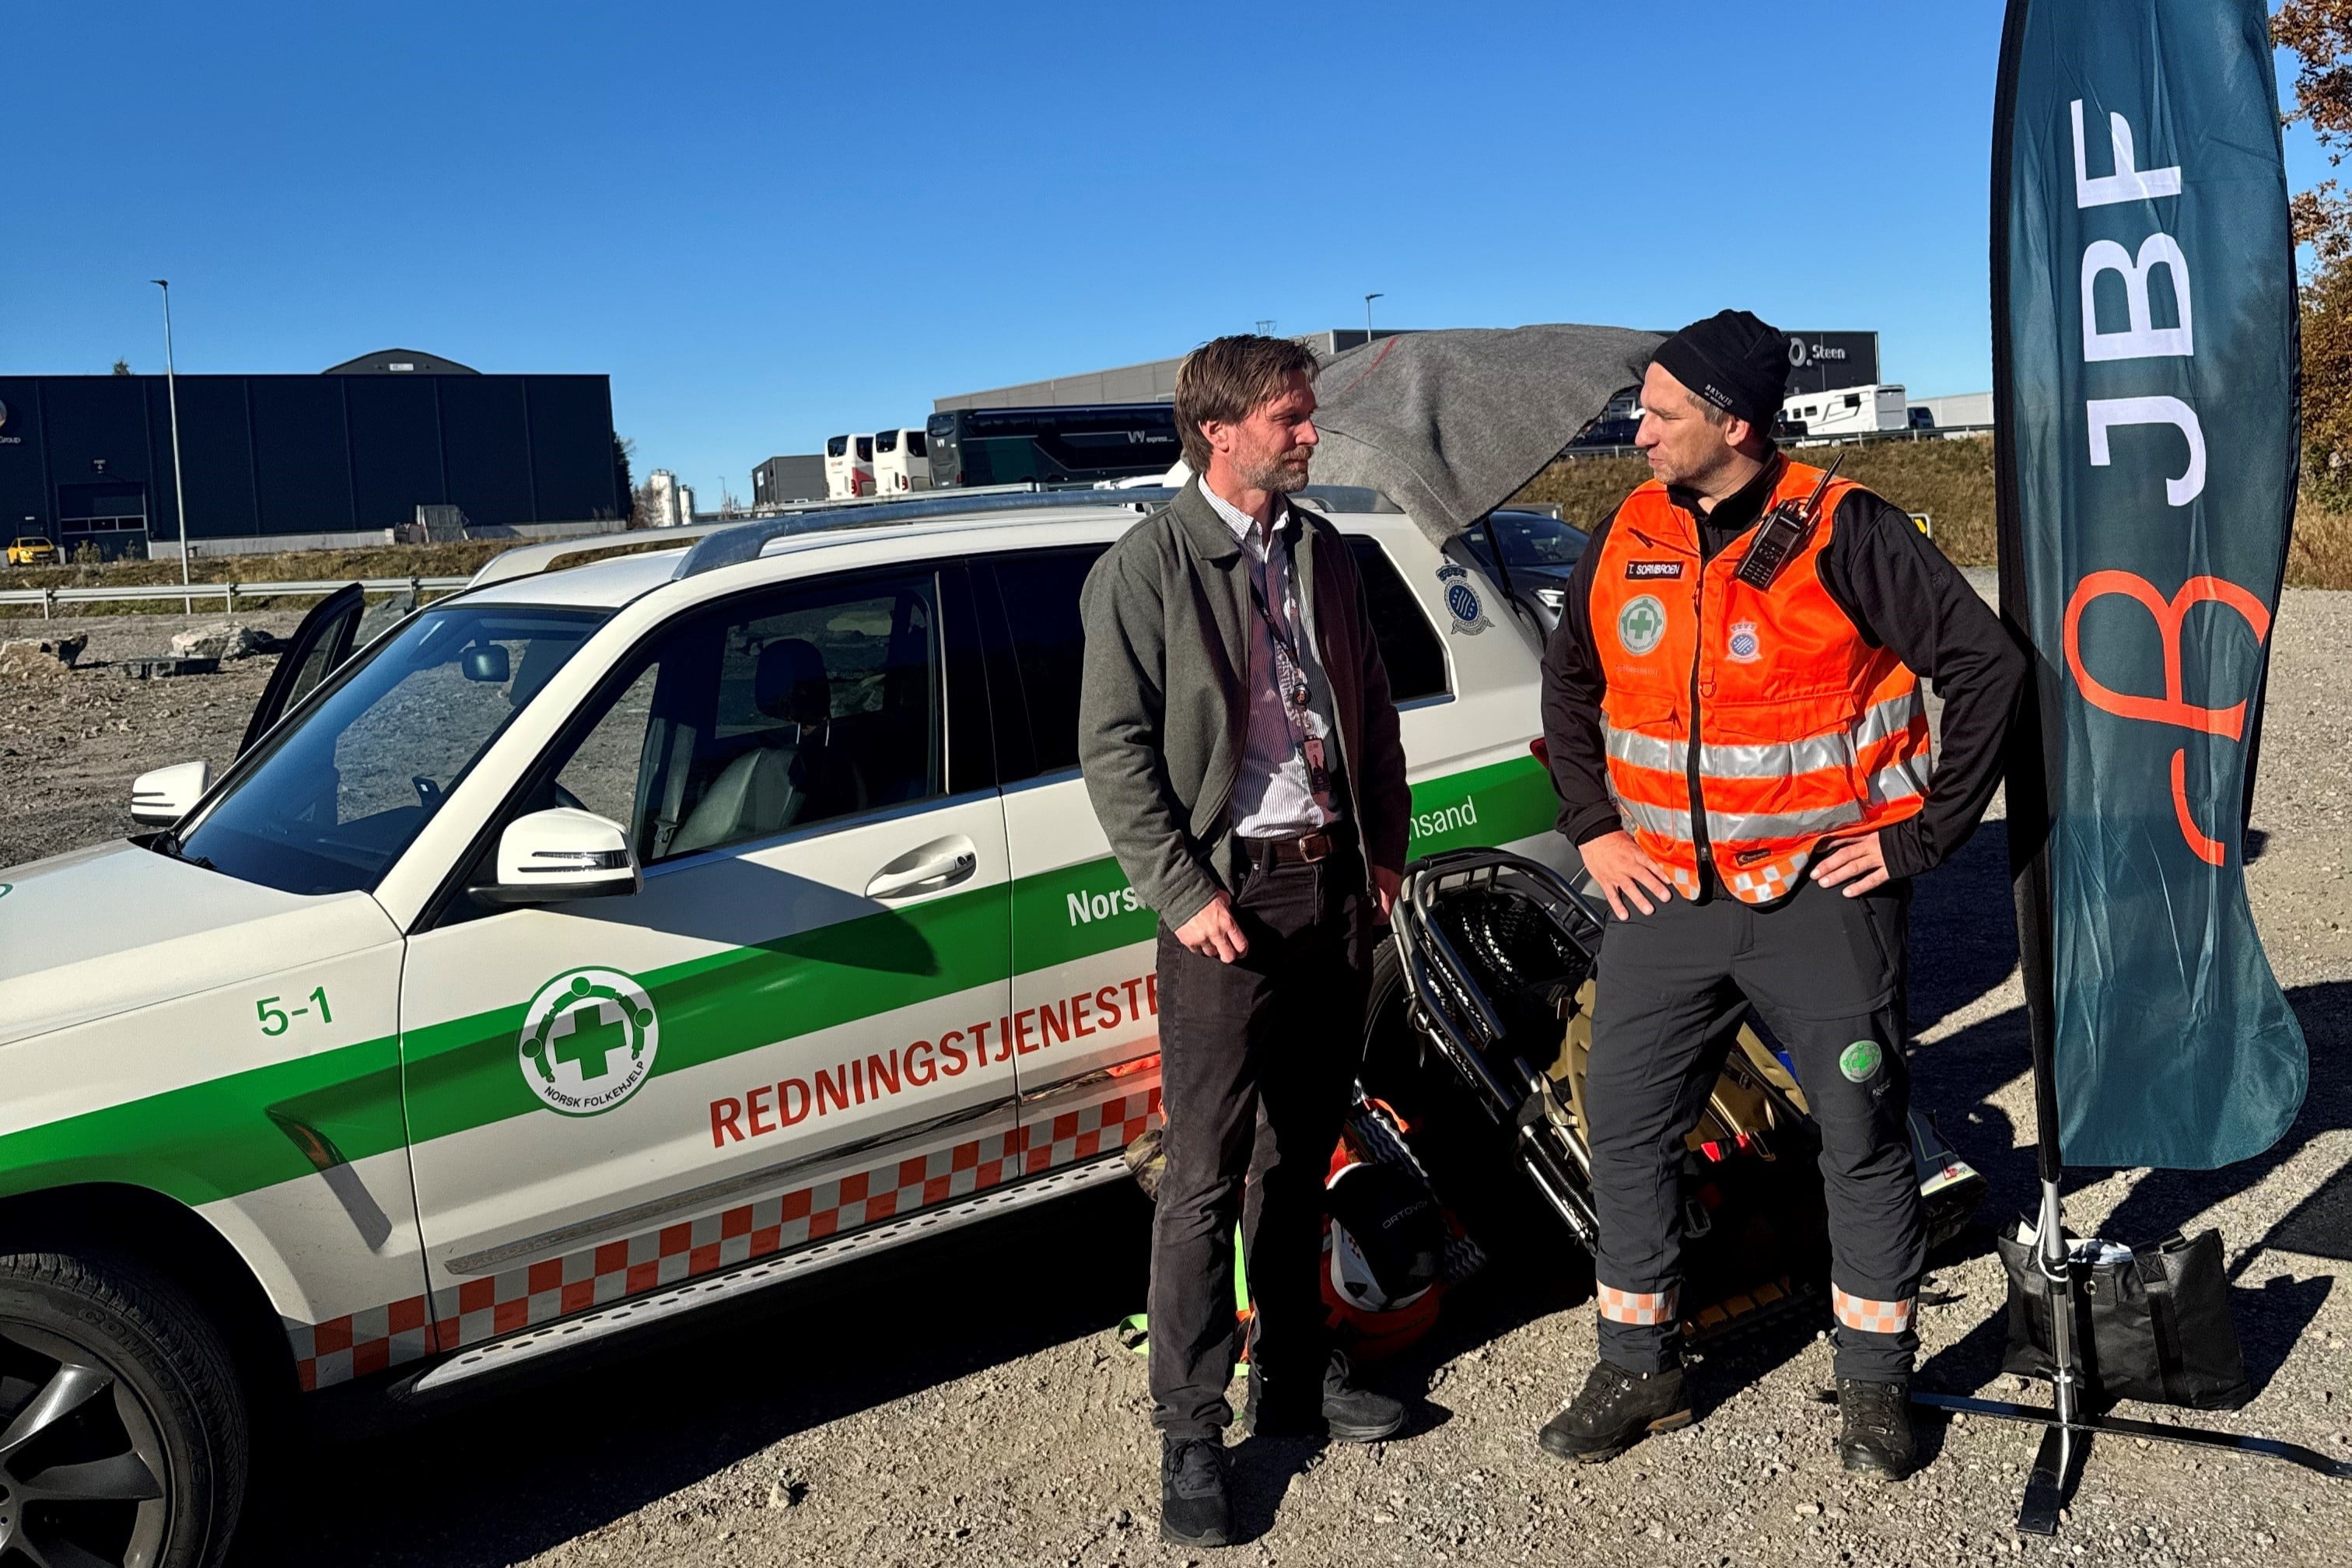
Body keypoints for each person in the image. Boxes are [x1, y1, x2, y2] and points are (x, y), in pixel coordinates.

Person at [1535, 310, 2025, 1481]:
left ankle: (1872, 1383)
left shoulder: (1846, 530)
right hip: (1665, 905)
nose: (1638, 430)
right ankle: (1639, 1363)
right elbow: (1568, 692)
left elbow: (1989, 667)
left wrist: (1922, 837)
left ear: (1734, 423)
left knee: (1860, 1140)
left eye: (1660, 412)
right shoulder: (1627, 530)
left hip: (1822, 903)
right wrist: (1595, 831)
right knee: (1626, 1127)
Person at [1078, 334, 1413, 1548]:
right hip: (1227, 908)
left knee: (1303, 1149)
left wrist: (1385, 848)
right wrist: (1182, 892)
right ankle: (1189, 1433)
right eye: (1292, 415)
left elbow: (1368, 705)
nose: (1311, 432)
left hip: (1332, 890)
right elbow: (1113, 755)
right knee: (1204, 1176)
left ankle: (1293, 1377)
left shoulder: (1323, 550)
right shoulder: (1145, 567)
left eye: (1308, 414)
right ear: (1221, 430)